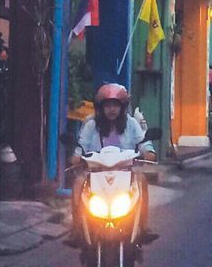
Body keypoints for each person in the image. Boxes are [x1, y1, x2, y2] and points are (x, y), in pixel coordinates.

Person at [67, 83, 156, 244]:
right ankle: (77, 229)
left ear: (123, 107)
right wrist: (76, 156)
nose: (112, 109)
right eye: (108, 105)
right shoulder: (91, 125)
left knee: (141, 180)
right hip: (95, 171)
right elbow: (81, 146)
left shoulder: (131, 124)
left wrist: (148, 152)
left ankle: (142, 227)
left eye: (116, 105)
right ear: (101, 107)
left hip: (126, 170)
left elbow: (143, 142)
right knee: (78, 183)